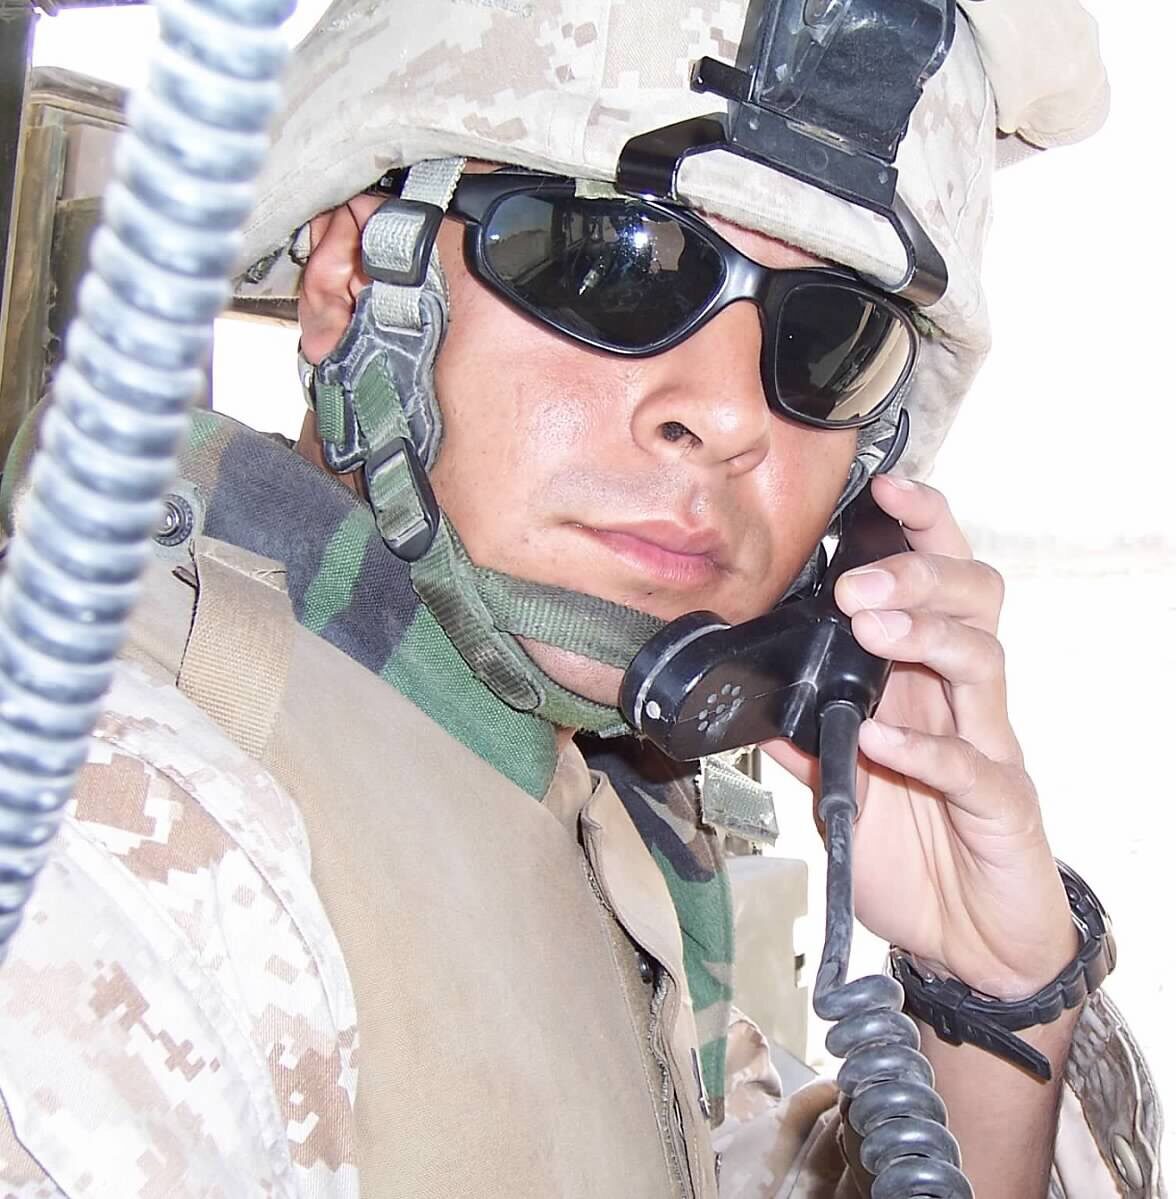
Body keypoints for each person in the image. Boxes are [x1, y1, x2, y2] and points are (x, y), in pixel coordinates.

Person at [0, 0, 1163, 1196]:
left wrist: (991, 1000)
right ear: (354, 283)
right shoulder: (115, 827)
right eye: (615, 264)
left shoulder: (583, 791)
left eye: (829, 338)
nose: (728, 414)